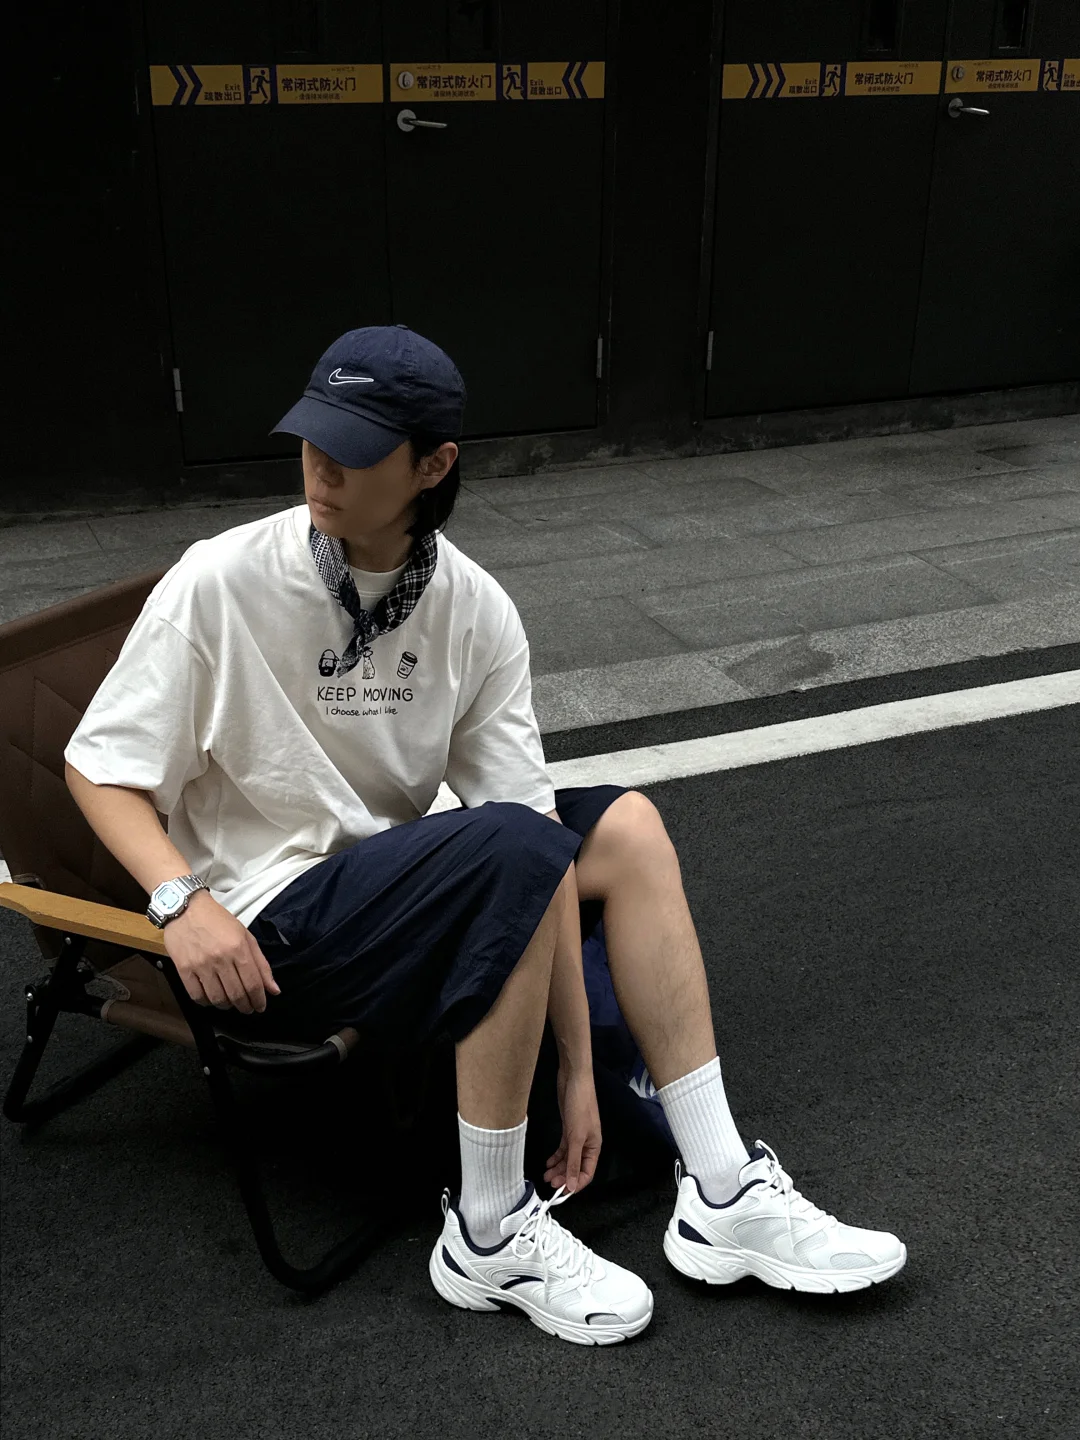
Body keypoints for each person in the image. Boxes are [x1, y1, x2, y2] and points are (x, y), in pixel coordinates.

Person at [64, 325, 906, 1346]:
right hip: (271, 926)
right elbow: (98, 766)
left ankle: (722, 1189)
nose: (321, 468)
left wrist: (581, 1068)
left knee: (626, 827)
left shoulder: (475, 608)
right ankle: (488, 1229)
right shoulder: (223, 579)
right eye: (312, 438)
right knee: (502, 851)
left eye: (355, 449)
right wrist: (180, 902)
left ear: (434, 466)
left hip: (409, 888)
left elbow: (538, 838)